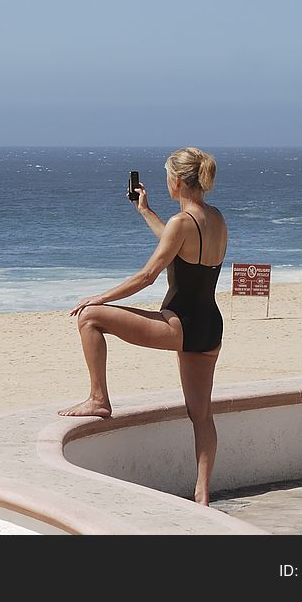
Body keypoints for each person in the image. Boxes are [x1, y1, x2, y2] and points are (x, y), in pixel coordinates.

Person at [58, 147, 227, 506]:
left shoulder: (183, 222)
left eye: (168, 175)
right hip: (210, 327)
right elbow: (178, 246)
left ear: (178, 180)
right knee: (202, 415)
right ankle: (202, 495)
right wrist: (146, 211)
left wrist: (98, 298)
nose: (167, 181)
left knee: (90, 318)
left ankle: (98, 399)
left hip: (178, 324)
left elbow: (148, 275)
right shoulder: (215, 218)